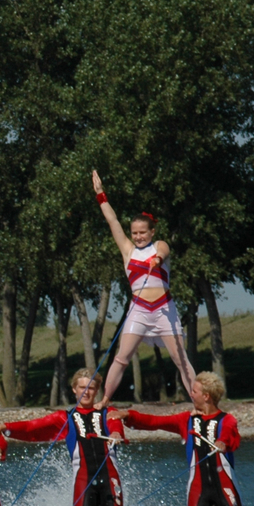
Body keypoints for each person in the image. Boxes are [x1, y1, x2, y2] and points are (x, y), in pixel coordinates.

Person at [122, 371, 254, 506]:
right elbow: (154, 421)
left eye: (194, 391)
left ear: (207, 396)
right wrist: (128, 416)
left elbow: (231, 435)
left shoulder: (227, 420)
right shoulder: (186, 420)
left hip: (225, 487)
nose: (190, 394)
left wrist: (222, 442)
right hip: (199, 490)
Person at [3, 369, 128, 506]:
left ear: (97, 391)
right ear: (74, 389)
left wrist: (115, 433)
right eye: (82, 387)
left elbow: (116, 426)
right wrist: (4, 427)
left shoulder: (108, 413)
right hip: (84, 483)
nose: (86, 392)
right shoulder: (65, 417)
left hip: (110, 482)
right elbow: (32, 427)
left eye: (91, 388)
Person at [91, 170, 198, 403]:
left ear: (152, 231)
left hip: (163, 309)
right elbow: (113, 221)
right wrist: (101, 195)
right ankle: (105, 400)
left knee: (180, 358)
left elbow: (163, 251)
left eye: (142, 233)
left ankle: (199, 402)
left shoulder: (158, 245)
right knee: (121, 357)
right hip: (138, 310)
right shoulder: (128, 251)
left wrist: (157, 260)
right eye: (135, 233)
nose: (138, 237)